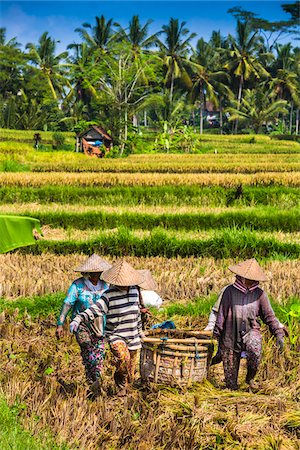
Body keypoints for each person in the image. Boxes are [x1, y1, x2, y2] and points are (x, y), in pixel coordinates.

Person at [70, 260, 145, 397]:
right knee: (124, 359)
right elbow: (95, 309)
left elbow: (137, 314)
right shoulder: (108, 294)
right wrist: (79, 318)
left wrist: (140, 332)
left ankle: (125, 390)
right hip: (117, 336)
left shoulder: (134, 291)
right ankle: (119, 382)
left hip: (133, 335)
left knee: (131, 369)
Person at [213, 259, 285, 390]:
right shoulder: (229, 291)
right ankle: (231, 383)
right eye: (248, 278)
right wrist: (215, 335)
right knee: (231, 385)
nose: (251, 281)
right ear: (241, 277)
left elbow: (269, 316)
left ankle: (249, 378)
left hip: (251, 331)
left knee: (255, 349)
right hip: (230, 335)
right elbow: (221, 315)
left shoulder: (260, 294)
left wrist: (278, 333)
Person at [56, 254, 111, 395]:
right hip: (81, 324)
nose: (96, 274)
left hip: (100, 325)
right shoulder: (78, 285)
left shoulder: (106, 285)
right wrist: (60, 324)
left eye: (98, 272)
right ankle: (92, 378)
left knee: (98, 354)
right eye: (93, 272)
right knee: (87, 346)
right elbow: (68, 303)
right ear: (87, 272)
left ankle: (94, 380)